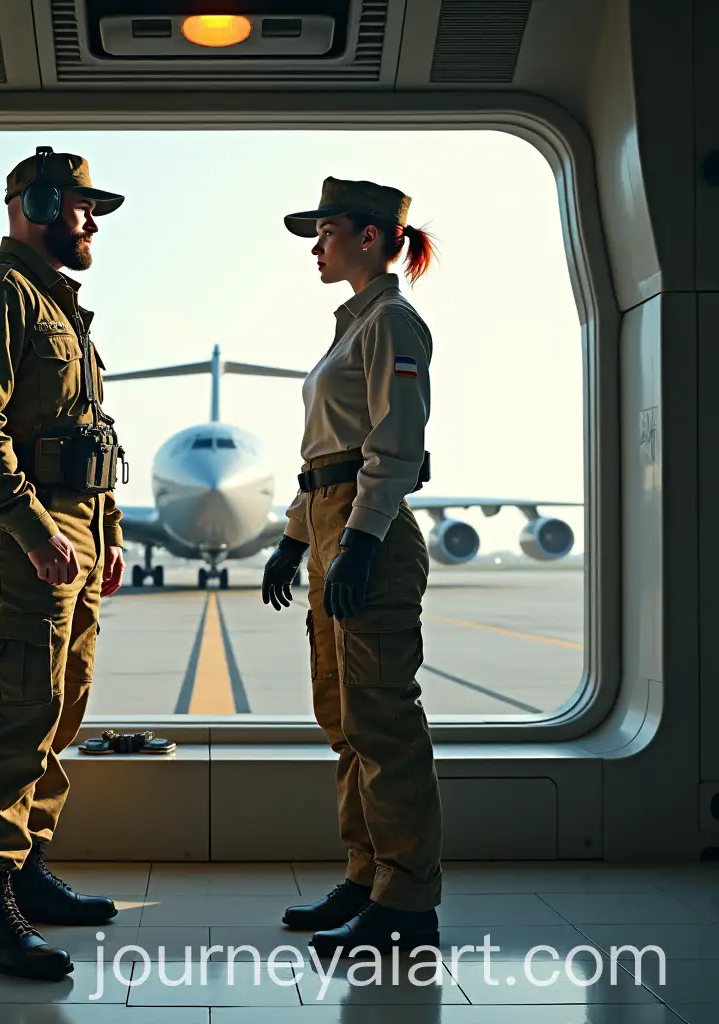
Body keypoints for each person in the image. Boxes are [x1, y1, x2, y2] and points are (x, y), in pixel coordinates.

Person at [0, 147, 128, 980]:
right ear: (35, 205)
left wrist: (107, 530)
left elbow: (89, 432)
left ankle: (26, 870)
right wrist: (33, 527)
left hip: (76, 531)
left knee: (60, 706)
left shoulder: (62, 308)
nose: (90, 225)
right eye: (81, 207)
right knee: (14, 710)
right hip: (29, 537)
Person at [261, 176, 443, 956]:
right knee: (343, 721)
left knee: (383, 725)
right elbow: (324, 459)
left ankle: (407, 903)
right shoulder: (354, 325)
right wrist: (294, 539)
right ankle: (367, 877)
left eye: (325, 231)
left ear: (370, 237)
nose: (316, 246)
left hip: (370, 532)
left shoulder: (392, 323)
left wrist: (360, 543)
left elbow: (393, 446)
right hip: (331, 520)